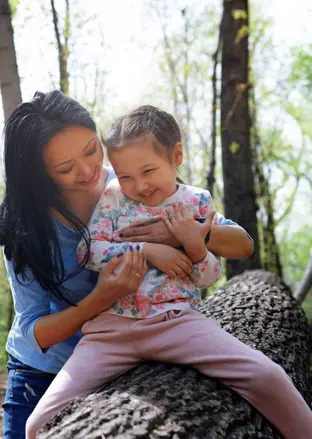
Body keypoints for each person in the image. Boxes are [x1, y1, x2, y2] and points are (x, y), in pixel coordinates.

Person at [24, 105, 312, 439]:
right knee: (37, 423)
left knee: (267, 376)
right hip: (110, 332)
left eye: (148, 171)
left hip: (176, 323)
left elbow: (208, 276)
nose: (140, 186)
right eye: (127, 176)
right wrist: (147, 250)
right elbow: (88, 250)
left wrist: (196, 243)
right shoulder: (113, 199)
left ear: (176, 155)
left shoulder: (197, 204)